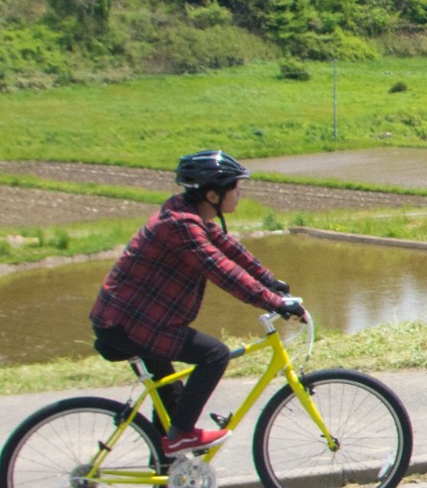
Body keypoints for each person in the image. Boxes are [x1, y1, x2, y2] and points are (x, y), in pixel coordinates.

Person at [90, 151, 303, 456]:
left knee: (173, 405)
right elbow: (221, 270)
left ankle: (173, 480)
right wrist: (274, 302)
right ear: (213, 194)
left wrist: (272, 282)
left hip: (131, 321)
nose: (239, 194)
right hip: (130, 324)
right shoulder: (182, 226)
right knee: (214, 355)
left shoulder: (188, 215)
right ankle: (181, 438)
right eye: (235, 188)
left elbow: (230, 249)